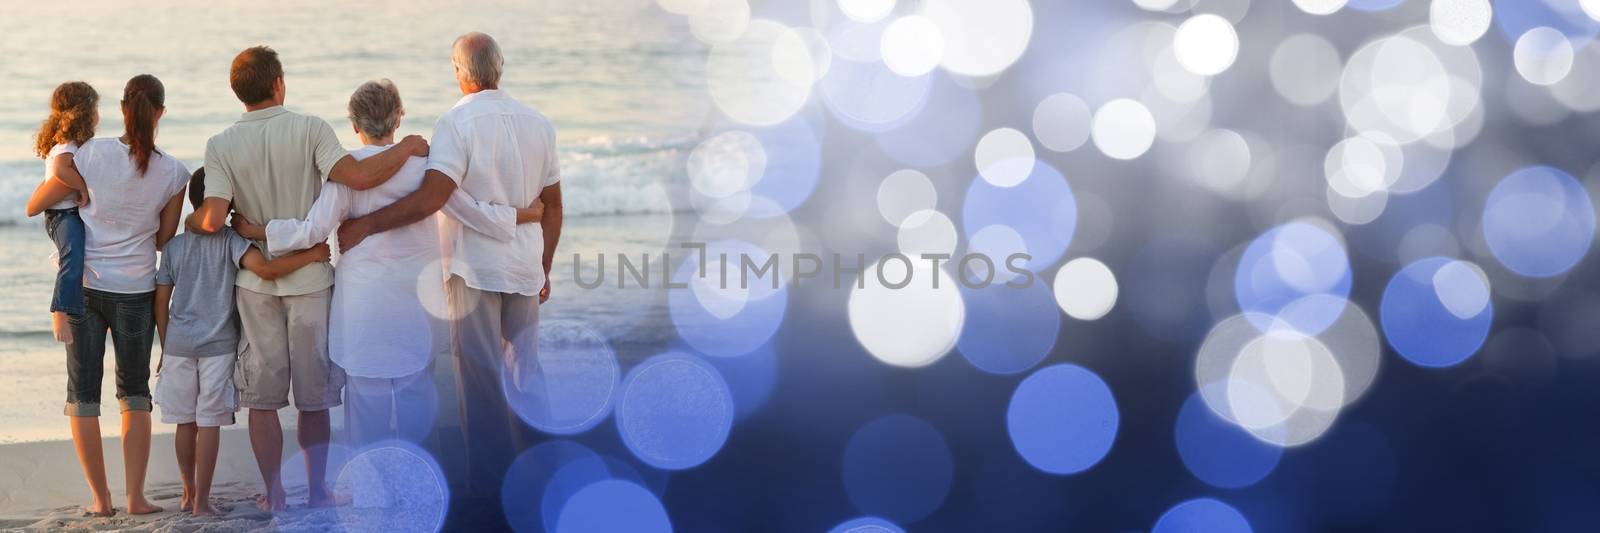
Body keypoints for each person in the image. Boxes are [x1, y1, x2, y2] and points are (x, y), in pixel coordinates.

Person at [233, 80, 543, 449]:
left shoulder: (344, 177)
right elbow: (467, 212)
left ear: (354, 125)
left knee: (366, 399)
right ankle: (421, 487)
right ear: (399, 118)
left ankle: (370, 491)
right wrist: (522, 216)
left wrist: (256, 229)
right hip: (417, 297)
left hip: (365, 304)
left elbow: (310, 231)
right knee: (418, 396)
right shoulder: (426, 168)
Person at [184, 45, 427, 511]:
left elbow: (213, 217)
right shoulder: (312, 127)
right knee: (313, 398)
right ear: (279, 84)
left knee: (262, 398)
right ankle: (317, 492)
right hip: (312, 281)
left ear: (238, 92)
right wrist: (411, 147)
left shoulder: (219, 144)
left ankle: (274, 494)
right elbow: (355, 177)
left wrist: (198, 225)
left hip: (256, 286)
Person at [336, 32, 563, 495]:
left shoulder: (455, 123)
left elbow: (434, 198)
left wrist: (367, 225)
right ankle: (541, 470)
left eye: (454, 69)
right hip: (523, 266)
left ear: (461, 72)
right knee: (526, 369)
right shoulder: (540, 123)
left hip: (475, 267)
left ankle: (493, 481)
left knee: (479, 376)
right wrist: (545, 264)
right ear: (498, 68)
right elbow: (554, 205)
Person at [28, 74, 189, 517]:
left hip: (84, 287)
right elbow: (163, 238)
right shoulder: (174, 172)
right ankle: (135, 498)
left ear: (122, 109)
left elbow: (54, 195)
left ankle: (101, 501)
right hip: (135, 288)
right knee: (134, 394)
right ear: (160, 113)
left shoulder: (90, 152)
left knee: (82, 395)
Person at [153, 168, 332, 517]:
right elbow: (264, 270)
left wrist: (164, 343)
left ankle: (188, 495)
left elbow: (161, 301)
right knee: (208, 422)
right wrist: (311, 256)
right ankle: (202, 503)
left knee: (184, 422)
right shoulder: (232, 241)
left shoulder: (173, 247)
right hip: (218, 346)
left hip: (177, 346)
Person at [23, 81, 99, 345]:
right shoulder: (66, 146)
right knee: (73, 257)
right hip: (62, 216)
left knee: (81, 258)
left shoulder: (71, 144)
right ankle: (60, 311)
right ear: (85, 112)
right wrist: (83, 189)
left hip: (66, 214)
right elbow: (60, 171)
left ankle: (90, 310)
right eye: (96, 108)